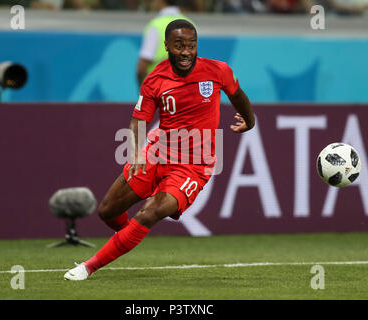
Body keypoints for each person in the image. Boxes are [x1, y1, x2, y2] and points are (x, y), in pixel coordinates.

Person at [64, 19, 255, 281]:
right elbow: (138, 121)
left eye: (191, 45)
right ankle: (127, 238)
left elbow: (238, 94)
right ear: (166, 46)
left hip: (194, 164)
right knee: (107, 211)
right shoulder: (155, 79)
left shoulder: (217, 70)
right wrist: (134, 153)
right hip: (158, 151)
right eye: (179, 45)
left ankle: (89, 266)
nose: (186, 52)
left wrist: (250, 120)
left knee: (152, 211)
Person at [136, 0, 191, 85]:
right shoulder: (190, 24)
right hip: (182, 89)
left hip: (158, 88)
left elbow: (142, 65)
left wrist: (142, 89)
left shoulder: (156, 25)